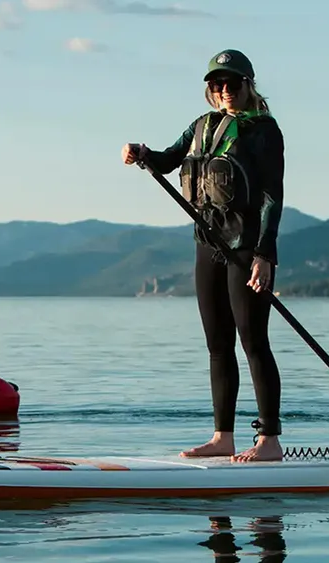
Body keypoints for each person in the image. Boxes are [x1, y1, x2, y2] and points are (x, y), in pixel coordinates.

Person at [122, 49, 286, 463]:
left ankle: (269, 441)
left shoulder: (264, 130)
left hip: (246, 247)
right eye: (217, 84)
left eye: (233, 83)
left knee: (253, 342)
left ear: (250, 85)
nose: (225, 91)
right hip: (207, 245)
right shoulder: (200, 126)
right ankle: (223, 438)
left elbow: (271, 195)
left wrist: (265, 254)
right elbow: (167, 159)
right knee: (217, 345)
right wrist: (142, 153)